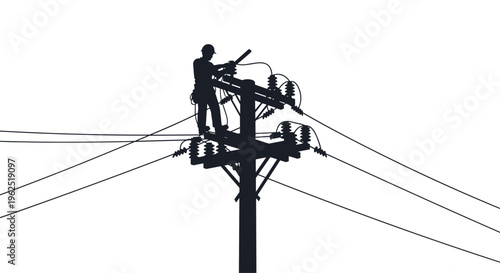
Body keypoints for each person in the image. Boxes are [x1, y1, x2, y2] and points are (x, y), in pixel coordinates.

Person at [193, 44, 235, 135]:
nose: (211, 56)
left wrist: (225, 70)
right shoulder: (197, 62)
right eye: (211, 54)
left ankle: (217, 127)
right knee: (204, 108)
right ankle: (203, 128)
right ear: (206, 53)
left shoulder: (208, 64)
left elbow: (217, 74)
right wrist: (224, 66)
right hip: (202, 89)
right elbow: (210, 69)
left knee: (214, 108)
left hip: (207, 89)